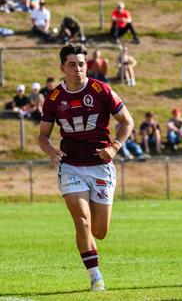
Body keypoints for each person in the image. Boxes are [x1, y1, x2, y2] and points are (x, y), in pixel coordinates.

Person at [38, 43, 134, 291]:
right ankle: (95, 277)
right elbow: (43, 136)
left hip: (101, 165)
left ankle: (92, 254)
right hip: (71, 166)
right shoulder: (53, 99)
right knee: (81, 221)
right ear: (62, 68)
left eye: (82, 64)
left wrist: (114, 147)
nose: (78, 69)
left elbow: (127, 122)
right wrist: (51, 151)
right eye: (72, 64)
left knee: (99, 231)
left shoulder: (101, 90)